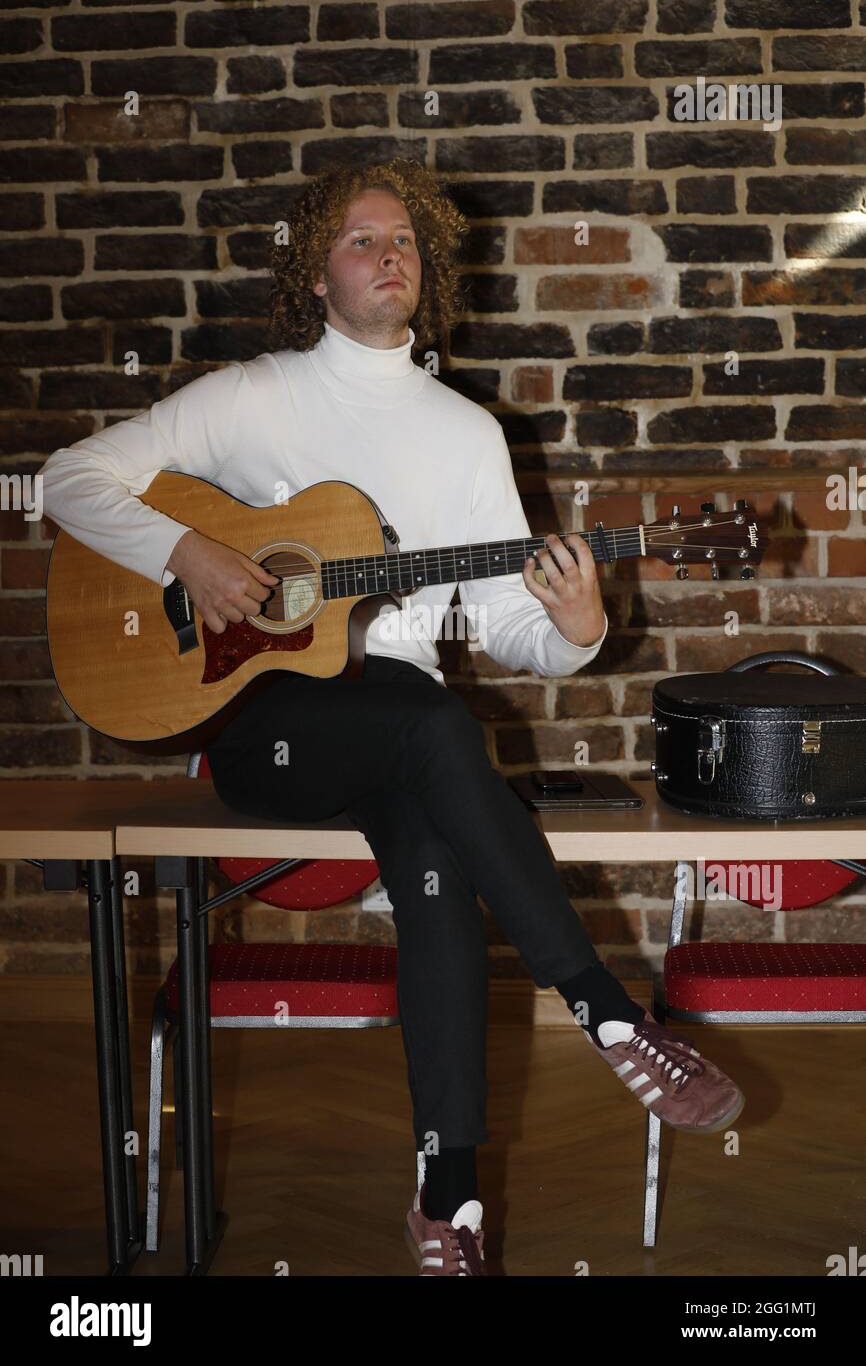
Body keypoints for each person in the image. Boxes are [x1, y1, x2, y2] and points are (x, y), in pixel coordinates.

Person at [37, 157, 744, 1277]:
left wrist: (570, 623)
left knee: (430, 847)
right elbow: (66, 480)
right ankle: (610, 1014)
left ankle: (448, 1206)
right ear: (317, 275)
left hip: (402, 732)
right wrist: (188, 552)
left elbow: (509, 628)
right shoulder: (255, 395)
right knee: (431, 727)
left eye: (406, 241)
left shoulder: (467, 435)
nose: (389, 255)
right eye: (363, 240)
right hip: (265, 728)